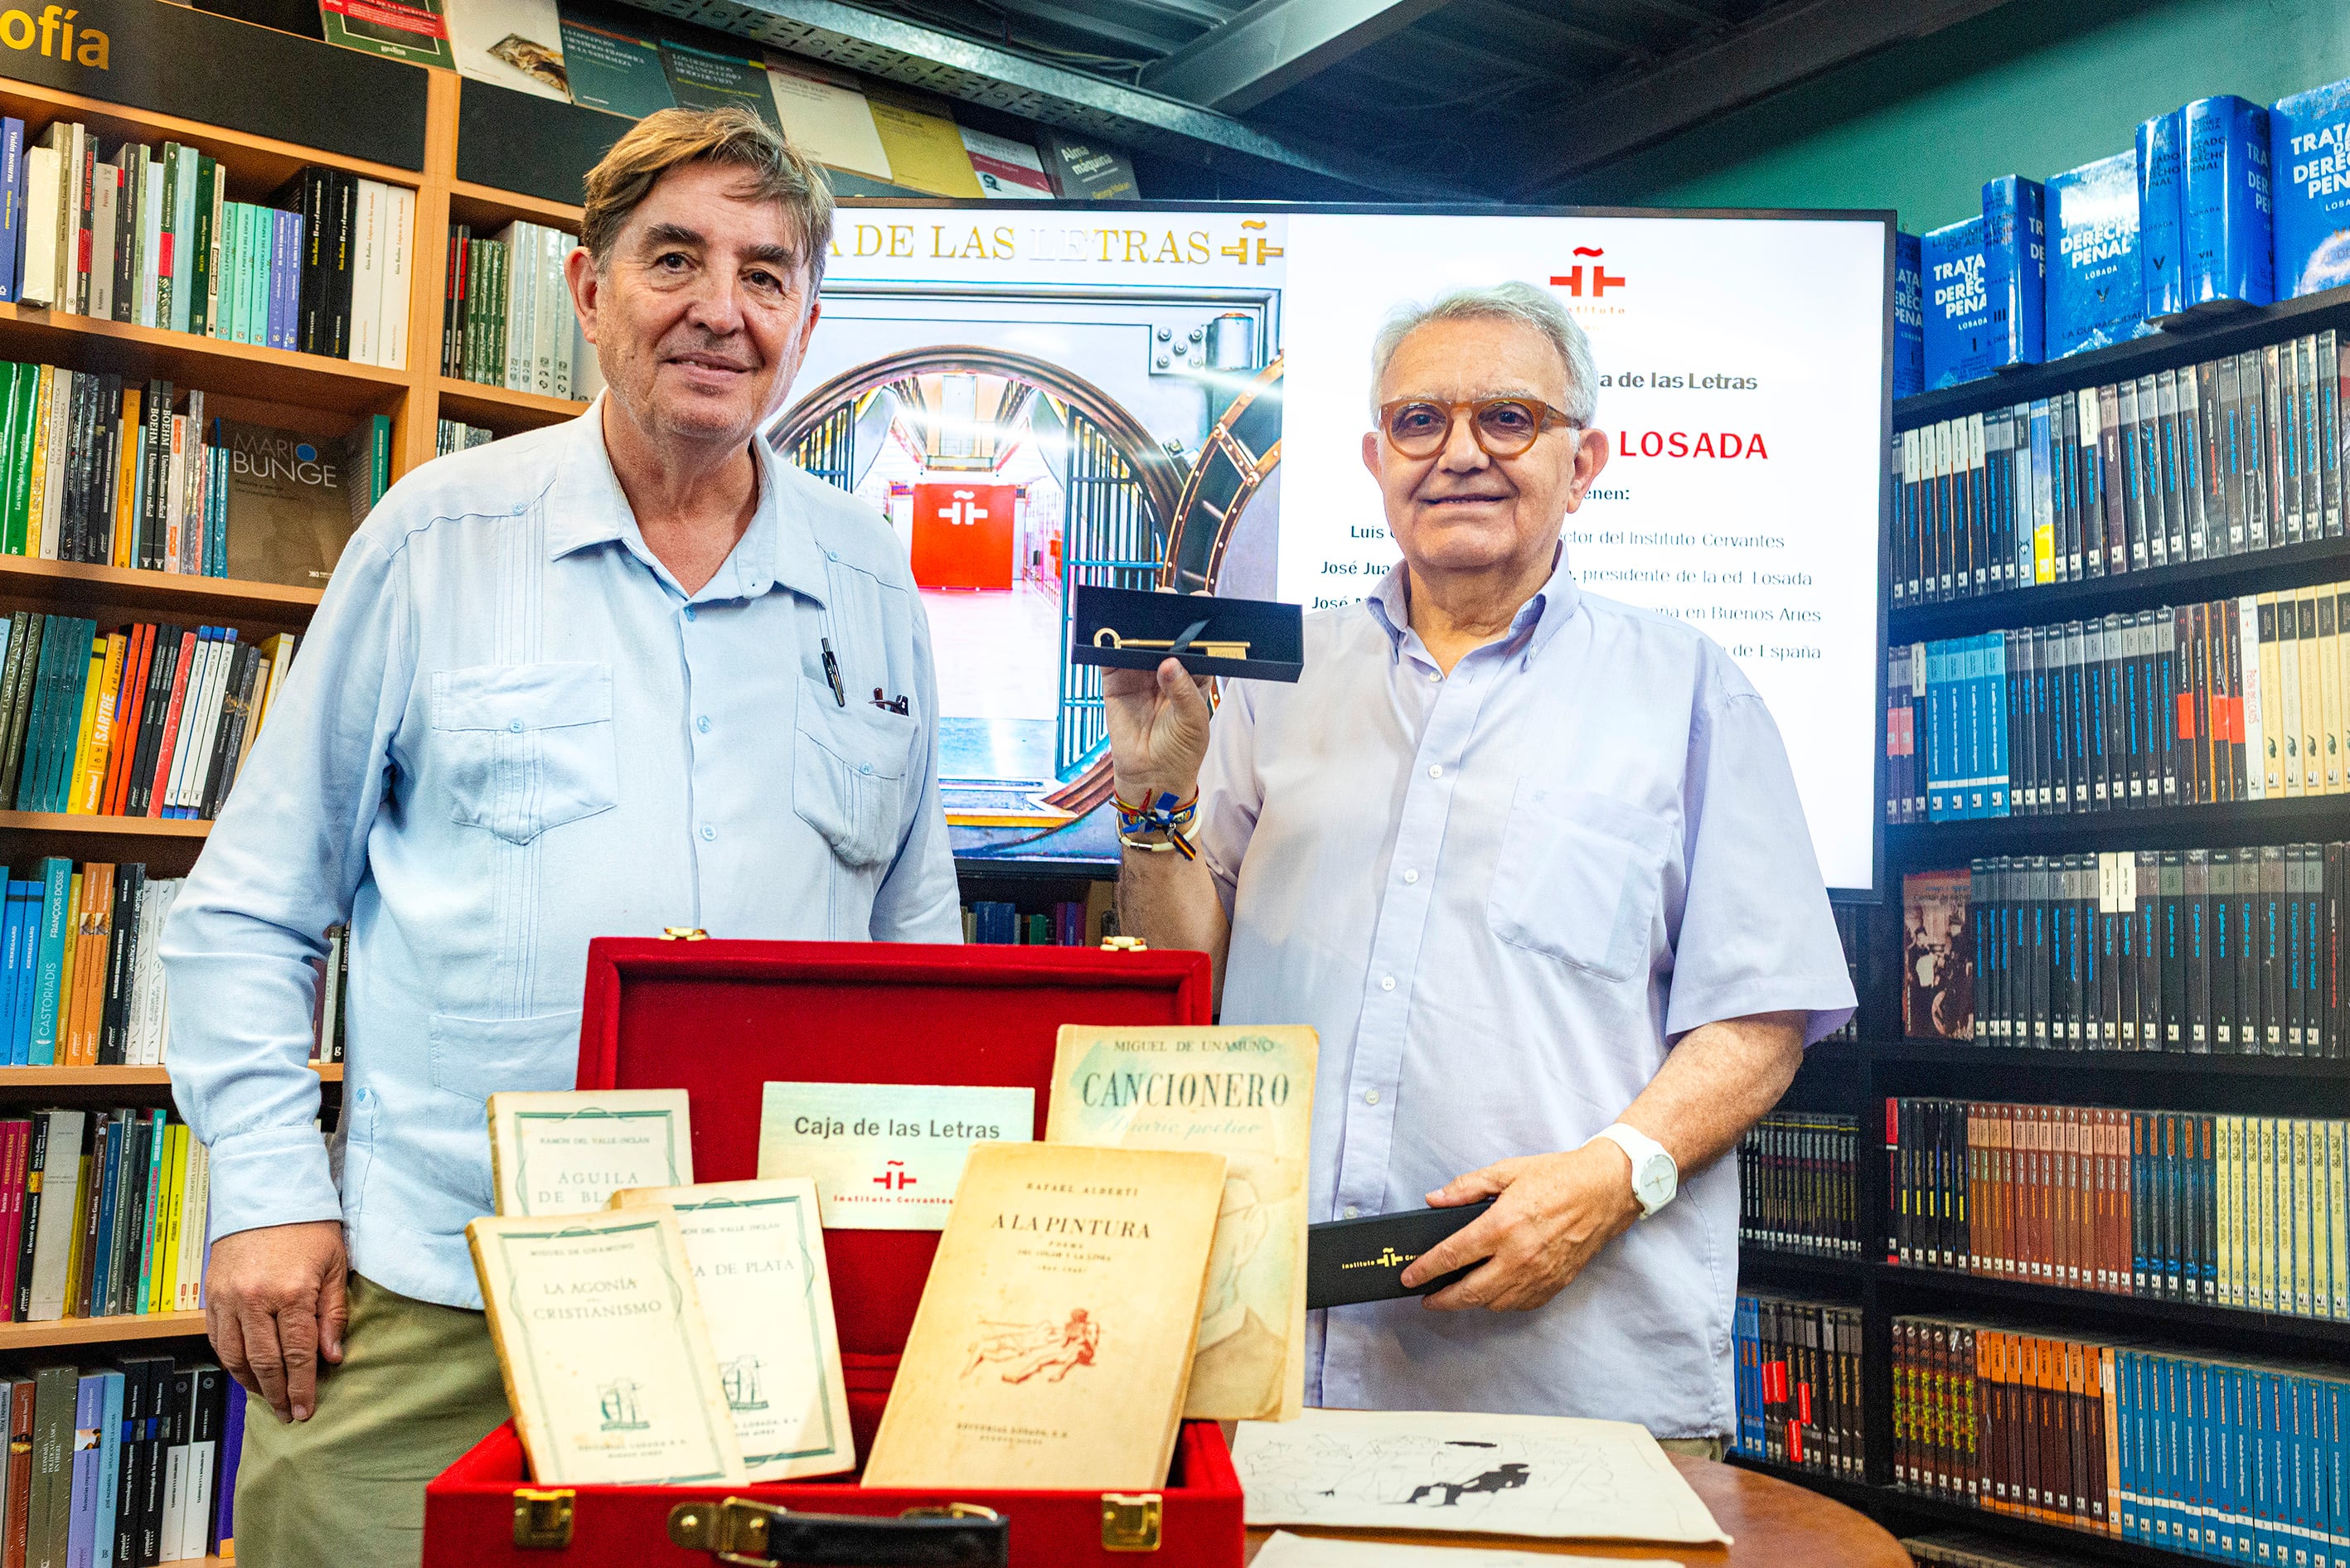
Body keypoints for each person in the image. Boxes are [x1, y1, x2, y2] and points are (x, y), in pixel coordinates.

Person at [161, 106, 959, 1567]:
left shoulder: (869, 580)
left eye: (767, 276)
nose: (722, 310)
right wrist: (266, 1197)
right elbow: (246, 914)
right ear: (589, 293)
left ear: (807, 320)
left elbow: (917, 955)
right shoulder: (435, 539)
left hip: (772, 1318)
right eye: (676, 259)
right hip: (443, 1301)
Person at [1105, 279, 1855, 1454]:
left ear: (1586, 459)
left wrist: (1612, 1178)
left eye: (1508, 418)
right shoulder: (1277, 678)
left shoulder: (1688, 689)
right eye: (1420, 422)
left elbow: (1759, 1016)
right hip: (1274, 1366)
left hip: (1570, 1381)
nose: (1460, 453)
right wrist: (1151, 800)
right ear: (1374, 457)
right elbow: (1178, 978)